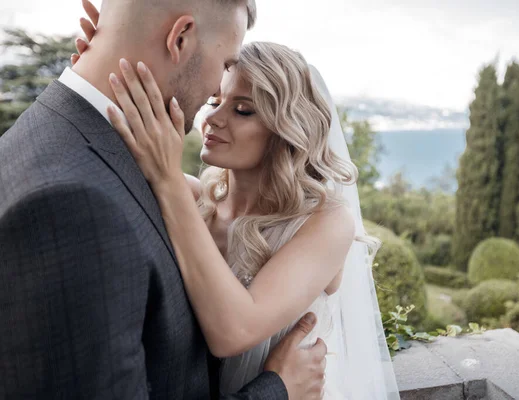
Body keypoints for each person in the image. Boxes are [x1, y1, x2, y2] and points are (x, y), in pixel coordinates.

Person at [0, 0, 326, 398]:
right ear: (180, 38)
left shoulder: (63, 141)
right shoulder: (76, 206)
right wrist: (277, 390)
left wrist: (108, 54)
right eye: (225, 65)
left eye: (242, 108)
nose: (215, 95)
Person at [74, 5, 400, 398]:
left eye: (242, 109)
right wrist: (109, 59)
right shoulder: (193, 199)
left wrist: (167, 180)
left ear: (286, 130)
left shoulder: (326, 222)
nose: (213, 119)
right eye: (215, 101)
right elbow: (126, 145)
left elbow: (235, 333)